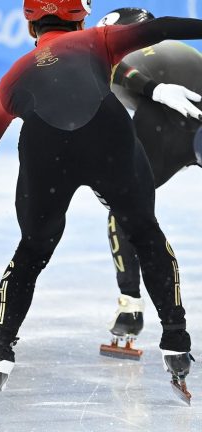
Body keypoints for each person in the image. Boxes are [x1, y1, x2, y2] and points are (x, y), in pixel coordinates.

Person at [0, 0, 197, 401]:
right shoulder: (98, 39)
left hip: (46, 154)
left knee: (32, 251)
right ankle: (176, 339)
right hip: (107, 140)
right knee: (144, 232)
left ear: (30, 27)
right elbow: (161, 27)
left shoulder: (13, 77)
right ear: (80, 17)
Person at [94, 8, 202, 357]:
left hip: (164, 123)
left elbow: (116, 71)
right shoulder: (175, 46)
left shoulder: (109, 55)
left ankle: (130, 305)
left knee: (123, 206)